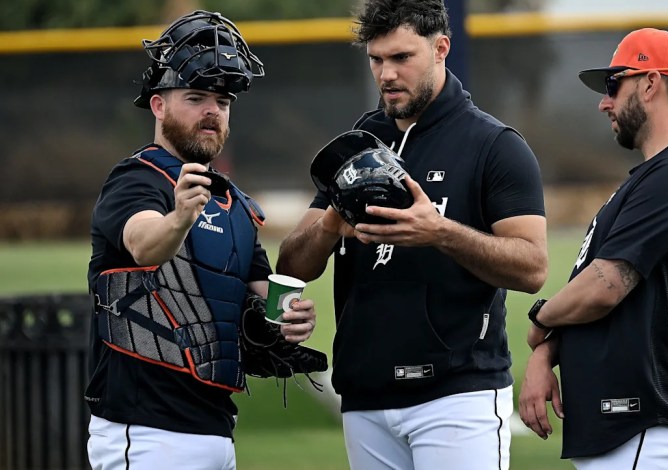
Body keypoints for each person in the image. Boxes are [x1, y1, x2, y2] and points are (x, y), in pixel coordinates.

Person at [276, 0, 547, 468]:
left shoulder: (494, 145)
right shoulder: (360, 140)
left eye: (402, 58)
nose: (386, 74)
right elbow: (291, 265)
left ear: (441, 48)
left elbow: (533, 268)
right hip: (365, 396)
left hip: (457, 396)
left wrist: (439, 232)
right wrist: (329, 225)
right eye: (376, 60)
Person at [85, 11, 317, 469]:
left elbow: (261, 290)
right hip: (146, 432)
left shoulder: (237, 205)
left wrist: (291, 315)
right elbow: (144, 245)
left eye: (223, 100)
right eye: (195, 96)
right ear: (158, 105)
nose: (212, 110)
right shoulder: (136, 181)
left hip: (217, 430)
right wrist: (180, 219)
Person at [518, 28, 668, 469]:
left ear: (651, 84)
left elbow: (605, 286)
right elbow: (602, 293)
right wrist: (548, 352)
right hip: (631, 431)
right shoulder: (656, 175)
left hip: (647, 426)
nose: (604, 102)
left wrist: (540, 319)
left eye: (615, 86)